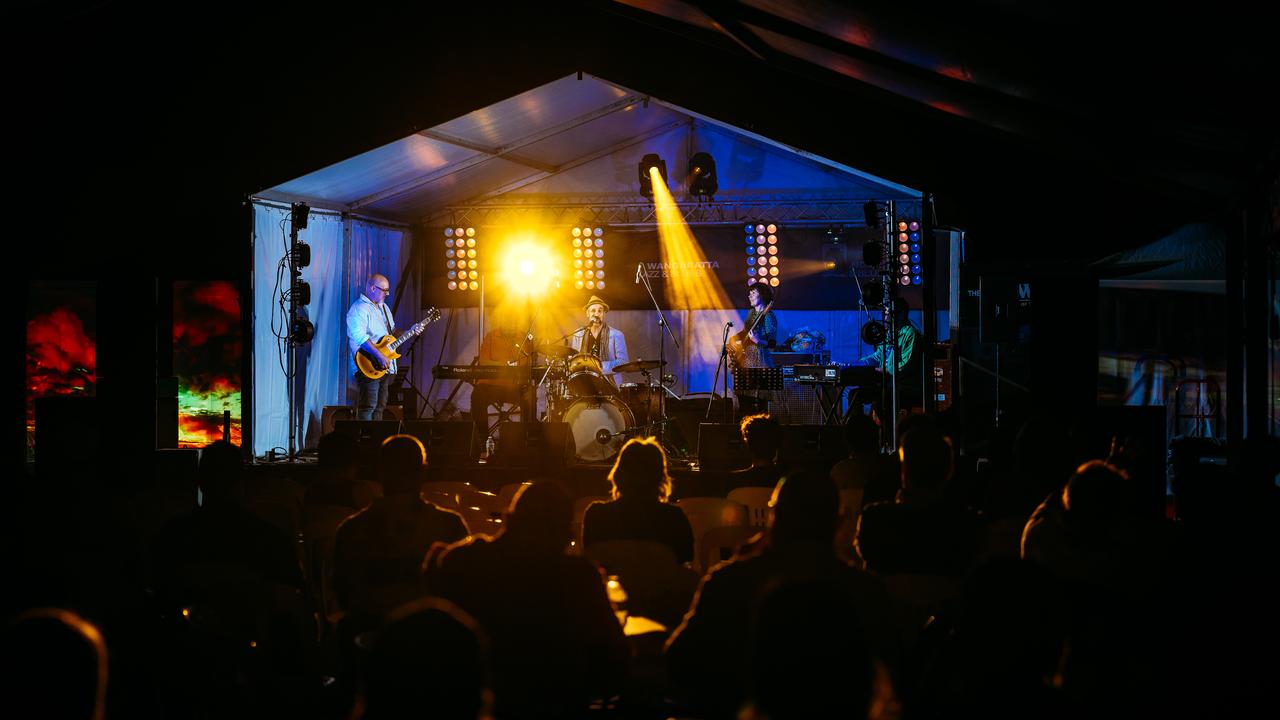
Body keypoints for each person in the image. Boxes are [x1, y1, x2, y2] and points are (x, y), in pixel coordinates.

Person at [582, 437, 695, 565]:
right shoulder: (674, 518)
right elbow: (685, 560)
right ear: (660, 477)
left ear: (619, 474)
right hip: (659, 584)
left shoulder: (596, 516)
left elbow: (589, 557)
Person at [471, 309, 536, 455]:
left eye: (513, 321)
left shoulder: (523, 338)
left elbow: (526, 362)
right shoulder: (491, 336)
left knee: (530, 395)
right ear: (501, 322)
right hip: (490, 386)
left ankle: (526, 439)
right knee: (477, 396)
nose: (511, 324)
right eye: (508, 320)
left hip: (514, 387)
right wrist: (504, 364)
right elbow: (484, 361)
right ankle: (482, 439)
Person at [858, 297, 924, 409]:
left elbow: (905, 366)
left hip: (904, 387)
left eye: (889, 313)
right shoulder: (889, 333)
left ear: (902, 314)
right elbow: (879, 355)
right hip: (888, 384)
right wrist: (860, 364)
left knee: (880, 402)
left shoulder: (911, 334)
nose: (886, 317)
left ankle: (887, 426)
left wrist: (885, 370)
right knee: (855, 395)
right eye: (886, 313)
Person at [346, 273, 397, 421]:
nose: (386, 294)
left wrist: (411, 330)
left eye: (388, 290)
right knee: (368, 406)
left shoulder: (384, 308)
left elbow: (391, 333)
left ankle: (376, 441)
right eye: (384, 290)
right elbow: (360, 337)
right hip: (367, 364)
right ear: (373, 288)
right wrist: (379, 355)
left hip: (383, 365)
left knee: (380, 407)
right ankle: (363, 441)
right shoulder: (359, 309)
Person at [733, 283, 778, 415]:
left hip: (760, 361)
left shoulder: (769, 316)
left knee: (759, 401)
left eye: (753, 293)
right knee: (743, 399)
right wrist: (733, 339)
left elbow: (772, 343)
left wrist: (758, 341)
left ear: (762, 295)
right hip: (746, 360)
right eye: (749, 293)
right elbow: (745, 332)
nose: (749, 295)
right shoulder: (751, 313)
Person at [567, 295, 629, 390]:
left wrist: (598, 366)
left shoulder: (617, 335)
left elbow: (623, 362)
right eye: (593, 311)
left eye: (600, 311)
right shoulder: (578, 334)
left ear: (604, 314)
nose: (596, 314)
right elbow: (575, 359)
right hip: (584, 385)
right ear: (587, 313)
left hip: (610, 386)